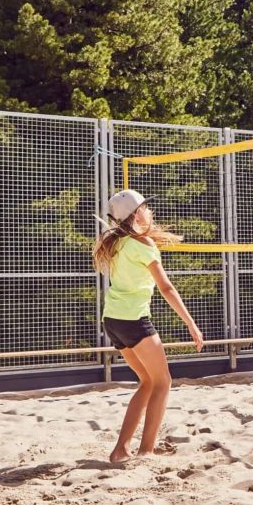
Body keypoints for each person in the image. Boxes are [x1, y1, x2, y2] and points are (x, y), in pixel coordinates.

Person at [92, 189, 203, 462]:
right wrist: (191, 324)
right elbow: (166, 287)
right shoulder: (143, 246)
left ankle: (120, 449)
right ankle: (146, 450)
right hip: (132, 320)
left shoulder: (116, 243)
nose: (151, 211)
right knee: (163, 382)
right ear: (137, 213)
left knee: (147, 382)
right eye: (146, 207)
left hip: (113, 320)